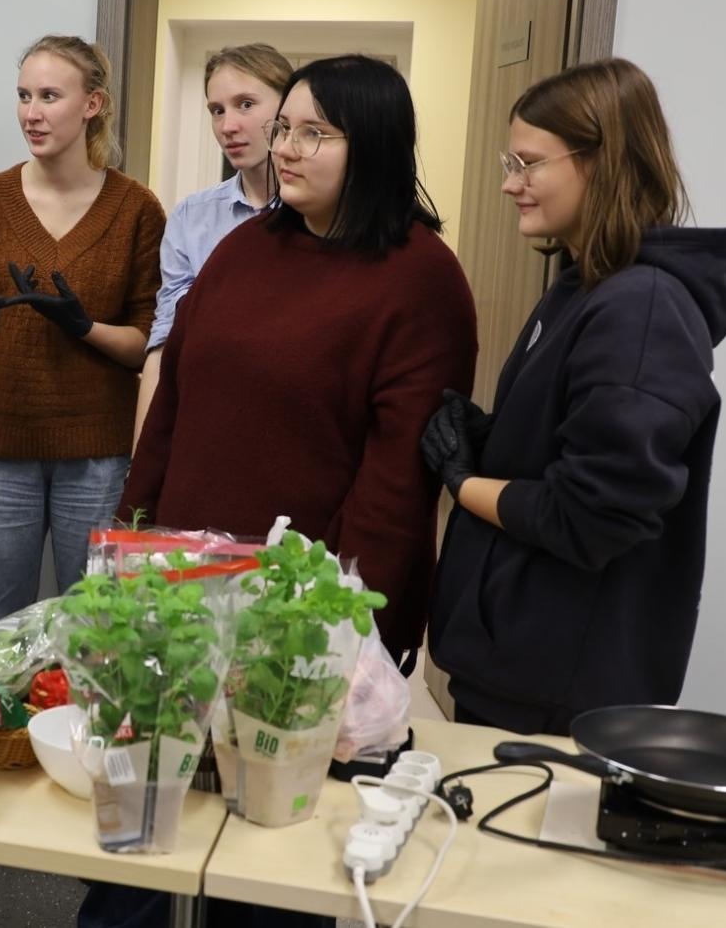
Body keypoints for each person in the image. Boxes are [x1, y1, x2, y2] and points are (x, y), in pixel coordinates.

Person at [423, 58, 726, 736]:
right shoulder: (584, 287)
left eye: (530, 163)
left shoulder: (642, 309)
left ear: (601, 162)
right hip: (516, 666)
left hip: (560, 692)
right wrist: (487, 441)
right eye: (509, 161)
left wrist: (464, 478)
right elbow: (562, 451)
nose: (511, 183)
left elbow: (589, 515)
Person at [123, 54, 477, 660]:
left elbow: (395, 487)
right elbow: (172, 410)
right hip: (186, 584)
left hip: (307, 606)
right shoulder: (244, 249)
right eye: (283, 128)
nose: (286, 148)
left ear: (372, 144)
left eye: (313, 134)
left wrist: (335, 619)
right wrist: (134, 537)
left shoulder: (422, 279)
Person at [0, 35, 165, 631]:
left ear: (92, 104)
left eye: (50, 96)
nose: (31, 113)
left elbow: (147, 343)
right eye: (24, 96)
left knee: (98, 629)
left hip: (98, 453)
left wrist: (83, 327)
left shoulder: (136, 209)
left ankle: (79, 731)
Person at [135, 43, 294, 443]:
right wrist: (140, 464)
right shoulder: (193, 216)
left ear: (286, 109)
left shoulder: (319, 214)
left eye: (245, 104)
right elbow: (165, 343)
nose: (228, 125)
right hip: (207, 423)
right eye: (217, 110)